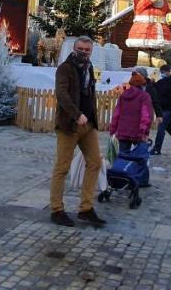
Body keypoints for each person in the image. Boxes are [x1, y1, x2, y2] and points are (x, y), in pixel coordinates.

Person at [49, 36, 105, 228]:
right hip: (69, 125)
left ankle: (86, 208)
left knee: (95, 162)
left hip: (88, 126)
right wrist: (76, 114)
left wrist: (91, 118)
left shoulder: (89, 68)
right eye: (80, 49)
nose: (83, 52)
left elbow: (89, 93)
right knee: (62, 167)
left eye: (87, 50)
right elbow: (62, 94)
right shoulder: (65, 68)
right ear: (74, 49)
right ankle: (56, 209)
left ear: (91, 51)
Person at [110, 68, 154, 151]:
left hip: (123, 132)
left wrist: (112, 130)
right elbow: (146, 116)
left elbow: (116, 114)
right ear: (142, 84)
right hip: (138, 133)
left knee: (123, 157)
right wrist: (144, 132)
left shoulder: (123, 95)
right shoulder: (144, 96)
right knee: (139, 158)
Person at [151, 64, 171, 155]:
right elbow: (155, 89)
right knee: (168, 128)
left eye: (164, 72)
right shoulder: (160, 82)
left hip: (169, 109)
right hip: (161, 109)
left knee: (161, 128)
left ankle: (157, 148)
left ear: (169, 72)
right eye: (161, 72)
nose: (162, 74)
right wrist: (152, 83)